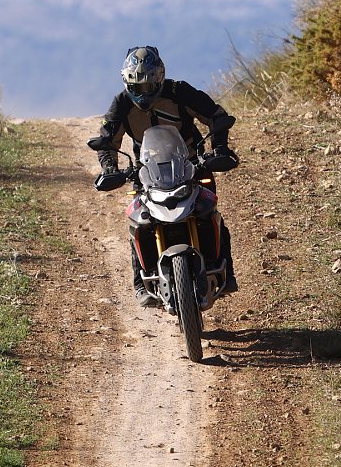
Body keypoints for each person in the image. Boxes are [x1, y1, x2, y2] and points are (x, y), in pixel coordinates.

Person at [94, 45, 239, 307]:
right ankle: (141, 282)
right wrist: (110, 169)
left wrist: (220, 148)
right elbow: (107, 140)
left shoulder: (179, 91)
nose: (142, 93)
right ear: (126, 82)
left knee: (210, 210)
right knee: (139, 222)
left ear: (160, 78)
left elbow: (216, 116)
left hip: (192, 164)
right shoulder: (121, 103)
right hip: (147, 171)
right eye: (136, 87)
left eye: (148, 86)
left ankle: (225, 271)